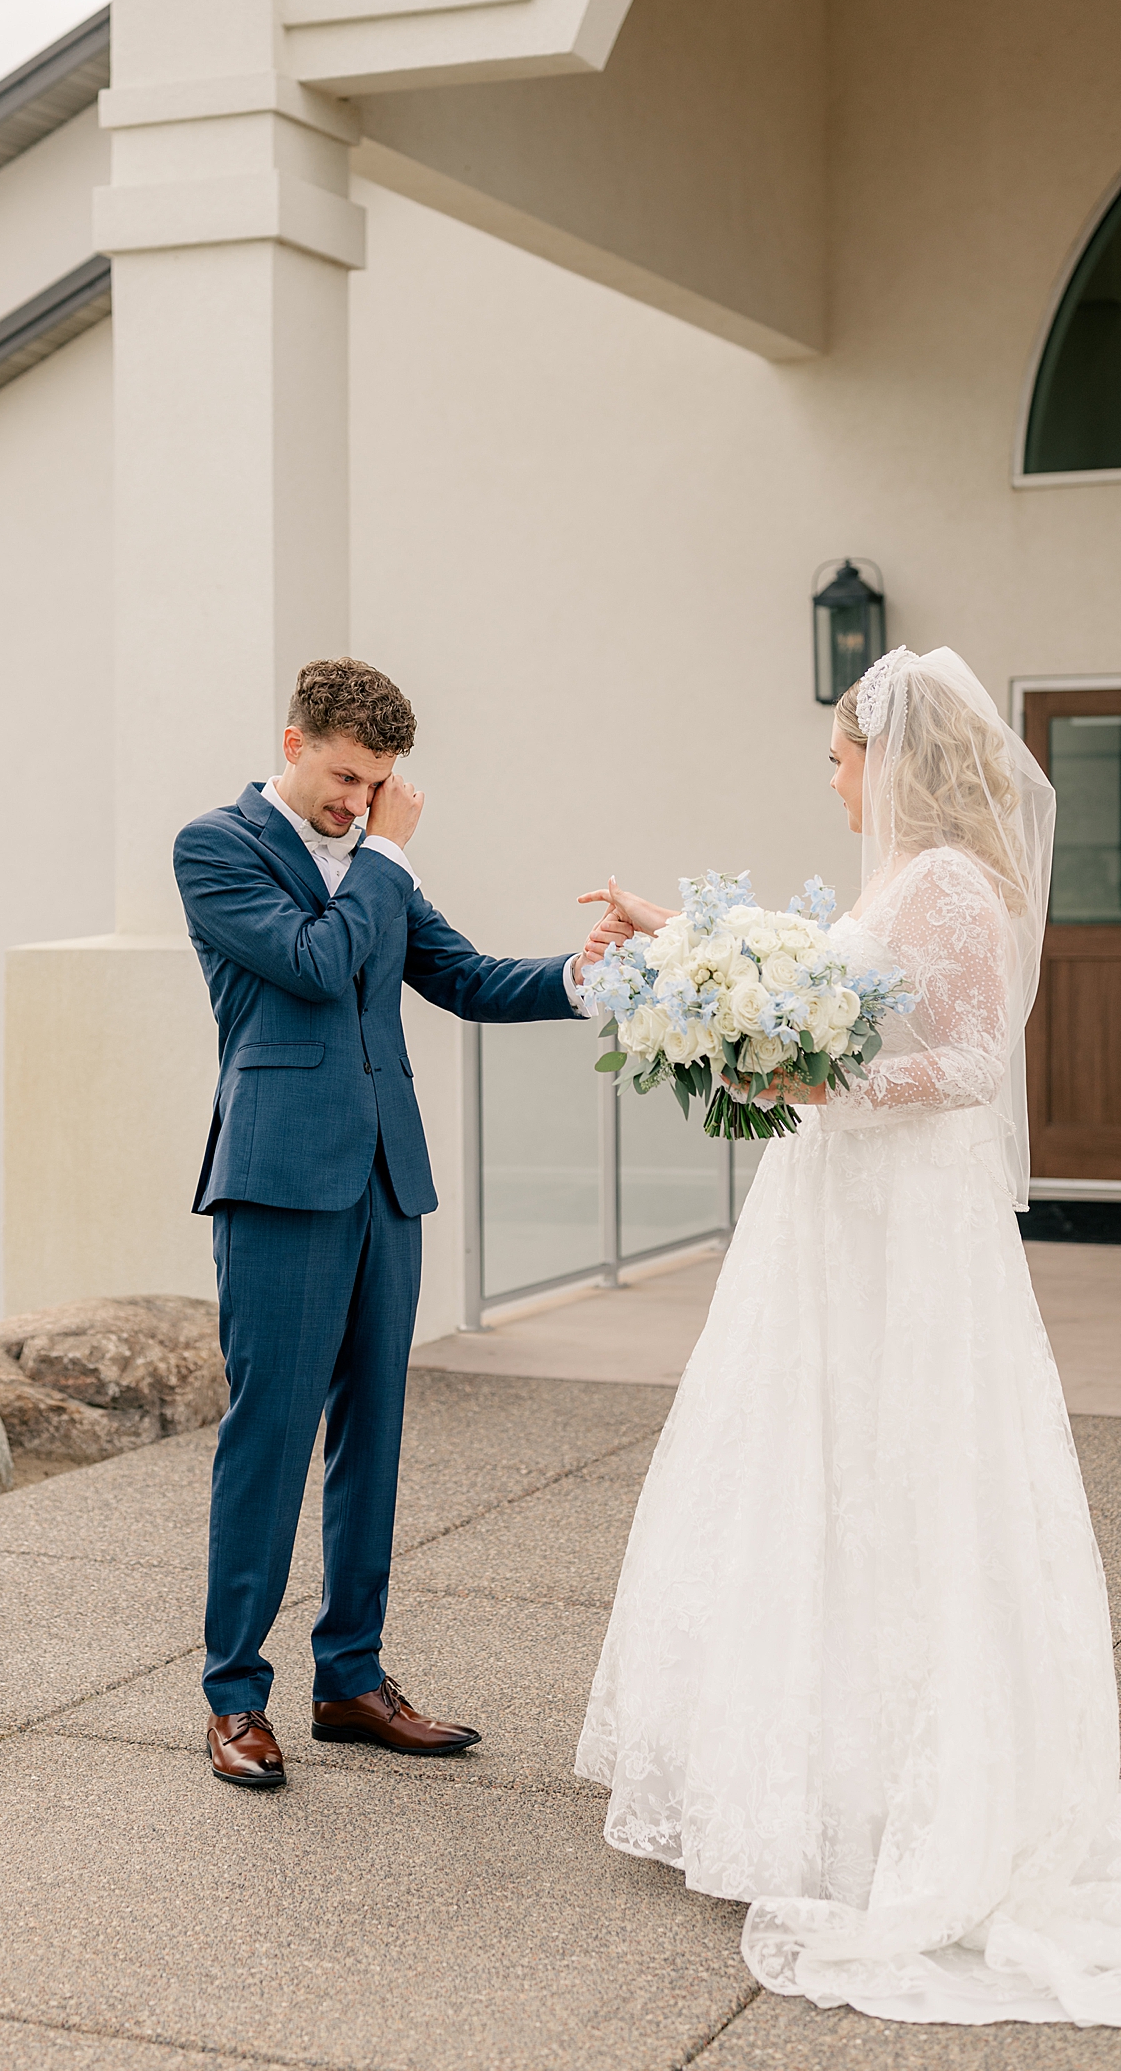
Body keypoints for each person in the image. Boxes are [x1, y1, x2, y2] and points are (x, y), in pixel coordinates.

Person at [575, 645, 1121, 2027]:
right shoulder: (907, 881)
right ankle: (817, 1778)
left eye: (837, 757)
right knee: (815, 1467)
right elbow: (822, 964)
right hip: (839, 1211)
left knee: (900, 1472)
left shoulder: (953, 881)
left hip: (904, 1223)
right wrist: (681, 938)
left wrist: (822, 1072)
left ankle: (895, 1798)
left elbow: (973, 1061)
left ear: (891, 758)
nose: (829, 779)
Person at [174, 656, 592, 1789]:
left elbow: (461, 977)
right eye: (347, 777)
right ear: (295, 740)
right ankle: (234, 1700)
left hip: (383, 1182)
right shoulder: (216, 848)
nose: (359, 803)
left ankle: (350, 1678)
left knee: (375, 1439)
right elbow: (317, 963)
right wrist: (390, 857)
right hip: (277, 1183)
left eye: (377, 786)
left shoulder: (372, 867)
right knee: (269, 1441)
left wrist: (593, 978)